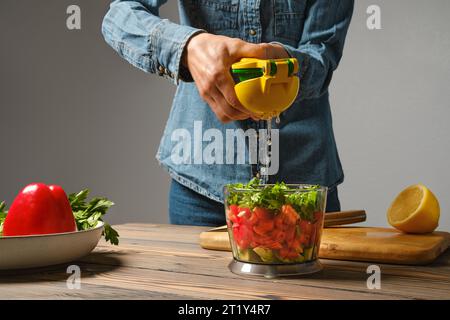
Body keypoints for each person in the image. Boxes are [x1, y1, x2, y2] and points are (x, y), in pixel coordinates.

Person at [102, 0, 354, 226]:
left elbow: (323, 52)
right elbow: (120, 14)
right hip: (200, 185)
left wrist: (283, 64)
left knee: (308, 279)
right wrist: (187, 46)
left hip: (304, 180)